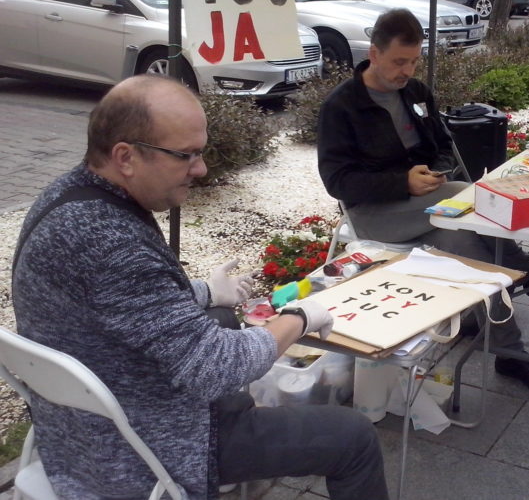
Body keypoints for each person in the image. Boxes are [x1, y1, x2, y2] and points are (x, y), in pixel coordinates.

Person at [12, 76, 389, 500]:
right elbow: (218, 367)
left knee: (223, 316)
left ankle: (240, 430)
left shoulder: (70, 196)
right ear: (126, 157)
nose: (201, 169)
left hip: (84, 416)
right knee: (353, 437)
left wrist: (207, 292)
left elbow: (120, 303)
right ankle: (233, 444)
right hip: (139, 445)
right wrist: (299, 318)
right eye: (185, 155)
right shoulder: (109, 241)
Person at [318, 8, 529, 398]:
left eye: (414, 61)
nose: (407, 71)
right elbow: (337, 182)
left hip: (430, 205)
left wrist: (436, 171)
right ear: (373, 54)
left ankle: (511, 354)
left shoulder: (415, 92)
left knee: (466, 246)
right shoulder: (342, 107)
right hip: (377, 214)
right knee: (472, 197)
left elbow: (444, 146)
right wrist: (402, 183)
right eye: (399, 62)